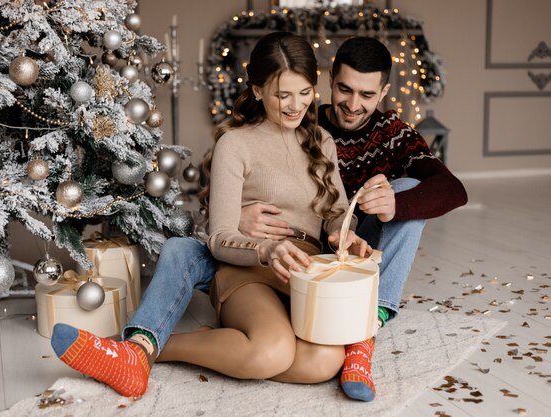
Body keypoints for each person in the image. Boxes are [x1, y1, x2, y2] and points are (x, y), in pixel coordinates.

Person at [50, 35, 468, 401]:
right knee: (273, 351)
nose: (296, 105)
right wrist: (265, 248)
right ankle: (131, 354)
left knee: (323, 362)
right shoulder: (236, 143)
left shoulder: (322, 137)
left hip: (309, 270)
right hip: (250, 267)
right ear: (257, 90)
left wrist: (347, 236)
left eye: (304, 93)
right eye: (282, 94)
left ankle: (153, 348)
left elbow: (337, 212)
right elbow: (218, 238)